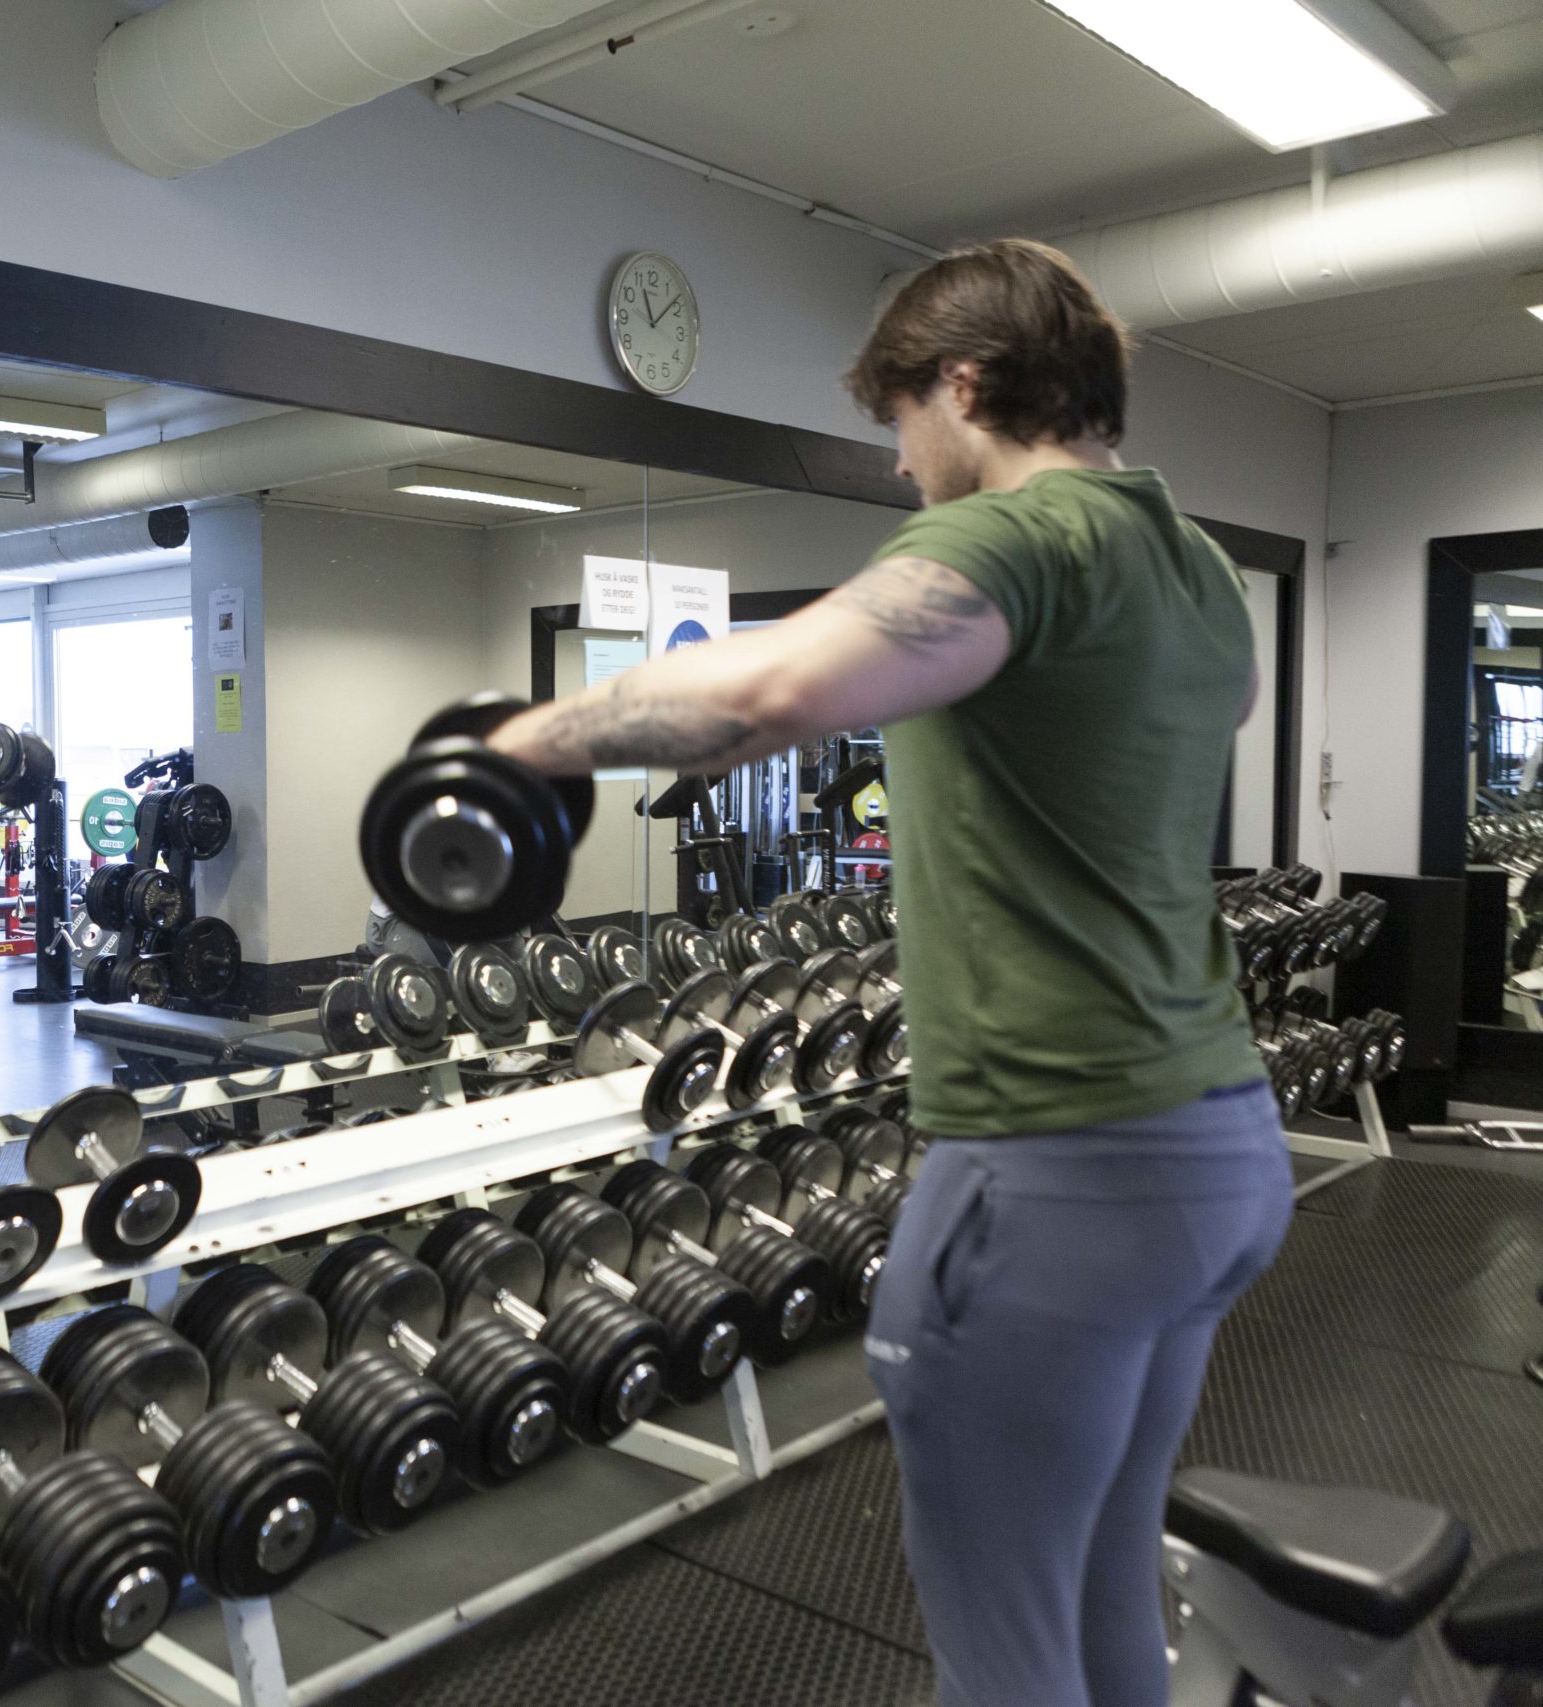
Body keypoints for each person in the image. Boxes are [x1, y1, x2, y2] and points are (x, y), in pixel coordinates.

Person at [489, 239, 1290, 1707]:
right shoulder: (1193, 570)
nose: (905, 467)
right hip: (1220, 1142)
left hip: (1055, 1173)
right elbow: (1216, 703)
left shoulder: (1009, 541)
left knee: (1000, 1642)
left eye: (903, 425)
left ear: (964, 386)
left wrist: (509, 749)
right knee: (1106, 1574)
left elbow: (775, 689)